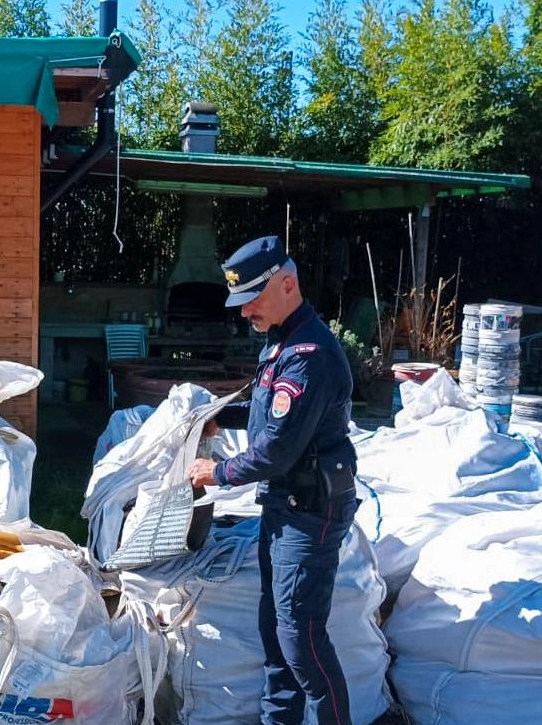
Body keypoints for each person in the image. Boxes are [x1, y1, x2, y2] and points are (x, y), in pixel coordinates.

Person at [186, 234, 359, 725]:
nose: (244, 313)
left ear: (287, 284)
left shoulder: (310, 353)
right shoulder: (282, 339)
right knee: (276, 634)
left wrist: (216, 473)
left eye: (251, 300)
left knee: (301, 642)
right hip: (285, 508)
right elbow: (272, 414)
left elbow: (278, 450)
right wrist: (224, 417)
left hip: (310, 514)